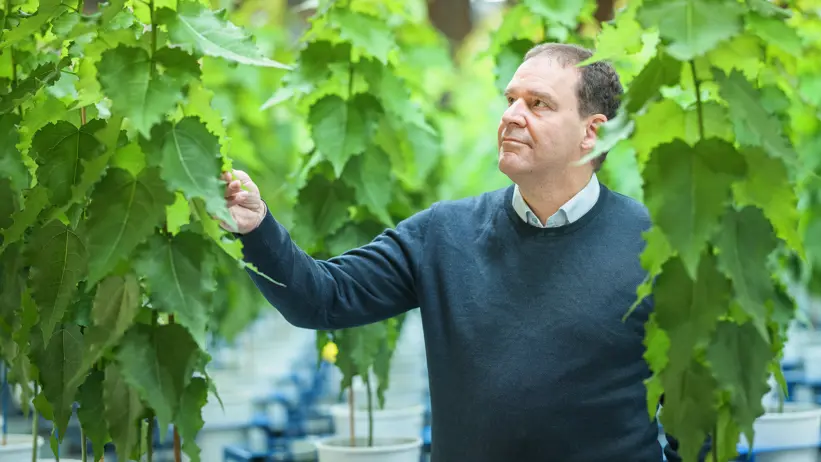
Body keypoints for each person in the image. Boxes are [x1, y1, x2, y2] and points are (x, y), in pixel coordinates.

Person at [221, 42, 695, 461]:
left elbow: (692, 424)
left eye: (538, 104)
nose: (511, 116)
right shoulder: (443, 234)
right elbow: (323, 298)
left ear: (591, 133)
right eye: (510, 100)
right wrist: (256, 228)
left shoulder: (656, 250)